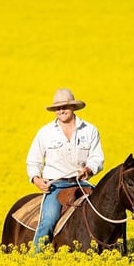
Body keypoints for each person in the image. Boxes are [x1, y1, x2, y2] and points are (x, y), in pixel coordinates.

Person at [26, 88, 105, 252]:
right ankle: (35, 258)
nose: (61, 111)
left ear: (73, 107)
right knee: (48, 220)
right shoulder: (45, 133)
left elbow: (97, 158)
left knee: (106, 211)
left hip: (82, 183)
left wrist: (89, 170)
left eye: (65, 107)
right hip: (56, 186)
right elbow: (33, 161)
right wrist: (37, 180)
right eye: (57, 108)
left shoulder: (90, 130)